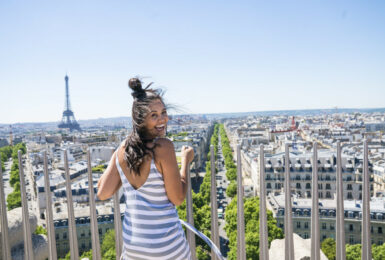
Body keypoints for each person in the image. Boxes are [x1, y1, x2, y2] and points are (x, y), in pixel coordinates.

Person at [97, 78, 194, 260]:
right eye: (154, 115)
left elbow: (102, 192)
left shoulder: (123, 150)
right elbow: (178, 198)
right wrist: (185, 163)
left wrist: (118, 154)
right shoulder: (163, 147)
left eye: (163, 112)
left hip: (134, 249)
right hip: (167, 248)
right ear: (141, 119)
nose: (163, 119)